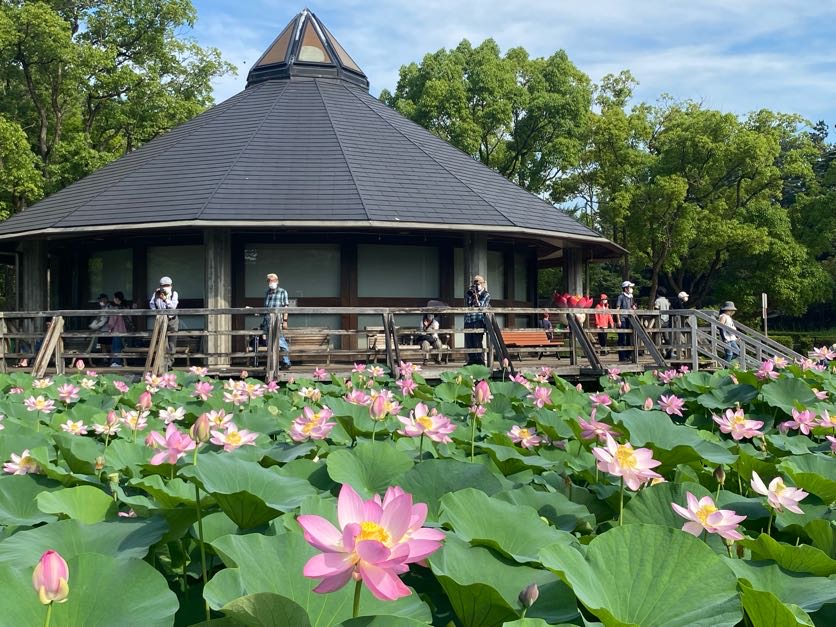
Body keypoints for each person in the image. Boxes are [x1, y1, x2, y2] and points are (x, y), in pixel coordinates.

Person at [261, 273, 291, 370]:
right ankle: (272, 363)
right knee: (269, 344)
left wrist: (285, 320)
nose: (271, 282)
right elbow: (266, 308)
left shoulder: (282, 292)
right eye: (269, 281)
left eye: (273, 280)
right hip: (267, 321)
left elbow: (286, 307)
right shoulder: (267, 293)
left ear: (277, 281)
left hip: (277, 321)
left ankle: (286, 362)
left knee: (281, 342)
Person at [149, 276, 179, 369]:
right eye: (163, 285)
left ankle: (169, 363)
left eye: (167, 285)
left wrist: (165, 299)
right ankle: (162, 364)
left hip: (172, 320)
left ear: (171, 286)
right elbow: (152, 304)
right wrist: (157, 313)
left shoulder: (174, 294)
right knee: (161, 341)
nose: (165, 287)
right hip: (161, 320)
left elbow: (173, 307)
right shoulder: (156, 294)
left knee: (172, 343)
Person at [464, 275, 490, 365]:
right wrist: (472, 294)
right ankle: (471, 361)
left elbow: (481, 307)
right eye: (474, 283)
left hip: (478, 320)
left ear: (483, 284)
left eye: (478, 283)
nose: (476, 285)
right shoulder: (470, 293)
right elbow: (468, 304)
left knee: (477, 341)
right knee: (469, 342)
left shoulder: (485, 294)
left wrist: (476, 296)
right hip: (468, 320)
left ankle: (480, 362)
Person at [615, 281, 637, 362]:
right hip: (622, 319)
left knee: (629, 337)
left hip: (629, 319)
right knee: (622, 338)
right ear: (625, 288)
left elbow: (632, 307)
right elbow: (617, 309)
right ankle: (622, 356)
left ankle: (628, 355)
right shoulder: (621, 297)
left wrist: (634, 307)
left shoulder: (631, 297)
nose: (631, 289)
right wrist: (618, 320)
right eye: (630, 287)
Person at [106, 291, 129, 366]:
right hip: (125, 330)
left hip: (117, 330)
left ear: (117, 299)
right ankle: (121, 361)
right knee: (121, 346)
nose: (113, 299)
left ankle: (116, 362)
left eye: (114, 298)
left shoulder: (115, 308)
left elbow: (112, 320)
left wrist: (109, 328)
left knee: (116, 346)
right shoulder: (126, 307)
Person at [89, 293, 112, 364]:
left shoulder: (109, 307)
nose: (100, 301)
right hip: (102, 329)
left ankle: (111, 359)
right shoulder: (102, 308)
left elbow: (105, 320)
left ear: (105, 299)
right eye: (100, 300)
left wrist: (96, 326)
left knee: (109, 345)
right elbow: (99, 319)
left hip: (108, 329)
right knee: (102, 344)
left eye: (101, 300)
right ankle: (105, 359)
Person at [670, 290, 689, 358]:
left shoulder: (679, 301)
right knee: (674, 336)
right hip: (675, 320)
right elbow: (682, 310)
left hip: (676, 320)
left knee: (676, 336)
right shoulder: (678, 302)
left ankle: (676, 352)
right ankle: (673, 352)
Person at [653, 287, 671, 353]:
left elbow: (656, 309)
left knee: (657, 335)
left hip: (660, 320)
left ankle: (659, 351)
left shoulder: (658, 301)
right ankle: (669, 350)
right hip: (667, 320)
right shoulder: (667, 300)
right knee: (666, 336)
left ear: (657, 294)